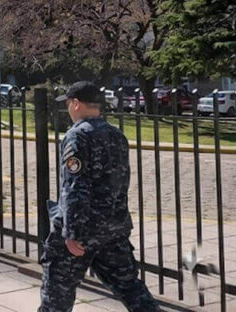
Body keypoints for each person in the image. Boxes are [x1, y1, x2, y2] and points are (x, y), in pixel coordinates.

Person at [40, 81, 159, 311]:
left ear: (75, 104)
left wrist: (72, 232)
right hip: (113, 230)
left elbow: (76, 186)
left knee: (56, 297)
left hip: (82, 233)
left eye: (67, 104)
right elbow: (120, 181)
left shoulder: (76, 137)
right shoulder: (117, 135)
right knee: (132, 290)